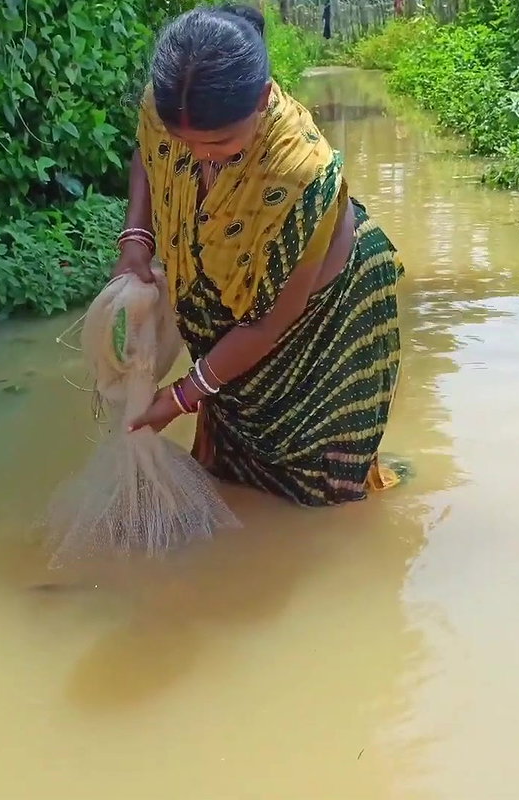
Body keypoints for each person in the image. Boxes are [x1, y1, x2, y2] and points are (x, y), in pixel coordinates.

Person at [116, 4, 404, 507]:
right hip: (230, 309)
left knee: (319, 488)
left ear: (264, 99)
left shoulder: (299, 173)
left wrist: (183, 396)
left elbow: (267, 325)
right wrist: (136, 241)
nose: (199, 157)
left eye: (221, 144)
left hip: (324, 315)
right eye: (183, 142)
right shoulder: (170, 110)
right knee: (225, 471)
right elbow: (148, 151)